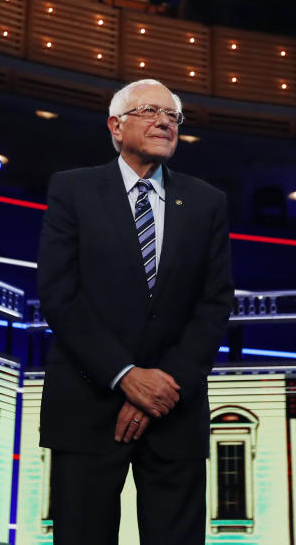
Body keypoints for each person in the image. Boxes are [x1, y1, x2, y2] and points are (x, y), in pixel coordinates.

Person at [36, 78, 234, 544]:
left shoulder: (207, 202)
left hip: (174, 412)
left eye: (173, 116)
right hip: (87, 407)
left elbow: (215, 302)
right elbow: (59, 294)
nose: (165, 121)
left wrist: (164, 383)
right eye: (150, 111)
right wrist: (125, 375)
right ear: (115, 126)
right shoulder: (72, 190)